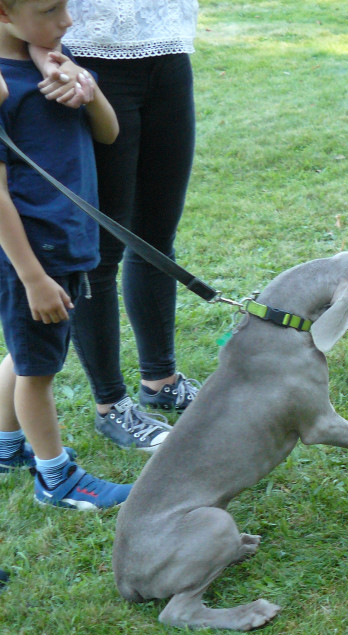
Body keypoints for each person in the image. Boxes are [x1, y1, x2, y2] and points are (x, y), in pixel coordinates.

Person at [43, 0, 200, 451]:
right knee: (99, 252)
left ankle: (161, 380)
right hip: (84, 62)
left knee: (155, 240)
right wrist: (51, 57)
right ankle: (111, 406)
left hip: (170, 57)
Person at [0, 0, 132, 508]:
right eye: (51, 10)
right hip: (35, 250)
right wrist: (32, 276)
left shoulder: (55, 63)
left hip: (65, 237)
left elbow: (109, 133)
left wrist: (88, 90)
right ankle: (57, 478)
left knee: (26, 349)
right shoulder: (5, 87)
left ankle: (8, 446)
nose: (68, 21)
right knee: (38, 371)